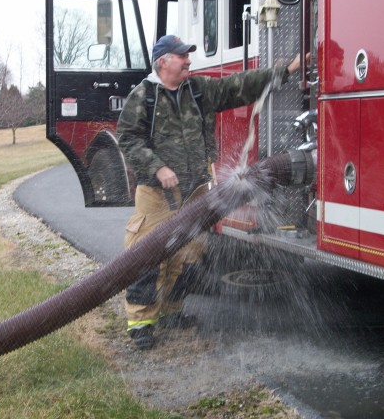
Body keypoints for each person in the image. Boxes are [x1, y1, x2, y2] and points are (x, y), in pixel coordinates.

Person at [116, 34, 301, 350]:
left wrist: (285, 71)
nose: (188, 60)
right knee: (148, 256)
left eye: (188, 55)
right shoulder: (143, 97)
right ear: (163, 62)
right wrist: (158, 167)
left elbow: (238, 86)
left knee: (187, 256)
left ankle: (172, 311)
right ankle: (141, 322)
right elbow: (128, 139)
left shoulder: (199, 90)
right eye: (182, 56)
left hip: (195, 190)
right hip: (157, 193)